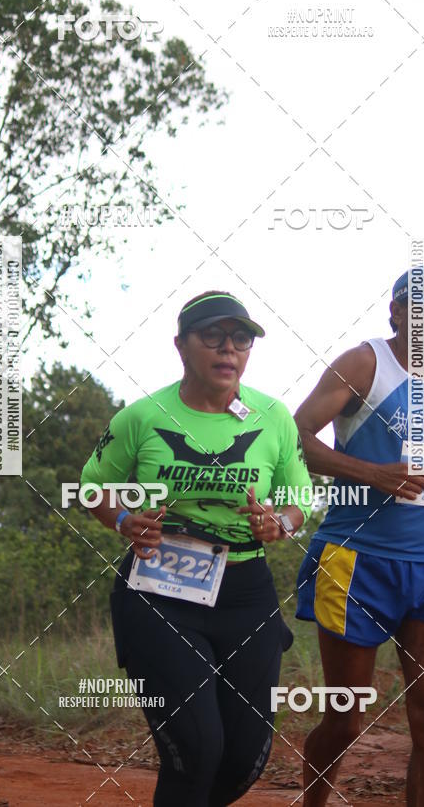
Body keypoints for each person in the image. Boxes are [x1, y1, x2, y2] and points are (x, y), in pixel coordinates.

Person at [81, 290, 312, 806]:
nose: (228, 348)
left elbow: (300, 499)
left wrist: (280, 523)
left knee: (246, 756)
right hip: (159, 588)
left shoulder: (273, 417)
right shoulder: (141, 416)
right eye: (213, 336)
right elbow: (93, 485)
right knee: (197, 747)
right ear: (181, 346)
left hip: (245, 589)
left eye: (241, 338)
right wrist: (123, 520)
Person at [295, 267, 424, 807]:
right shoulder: (365, 364)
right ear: (399, 312)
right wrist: (373, 473)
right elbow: (295, 437)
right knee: (346, 716)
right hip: (356, 559)